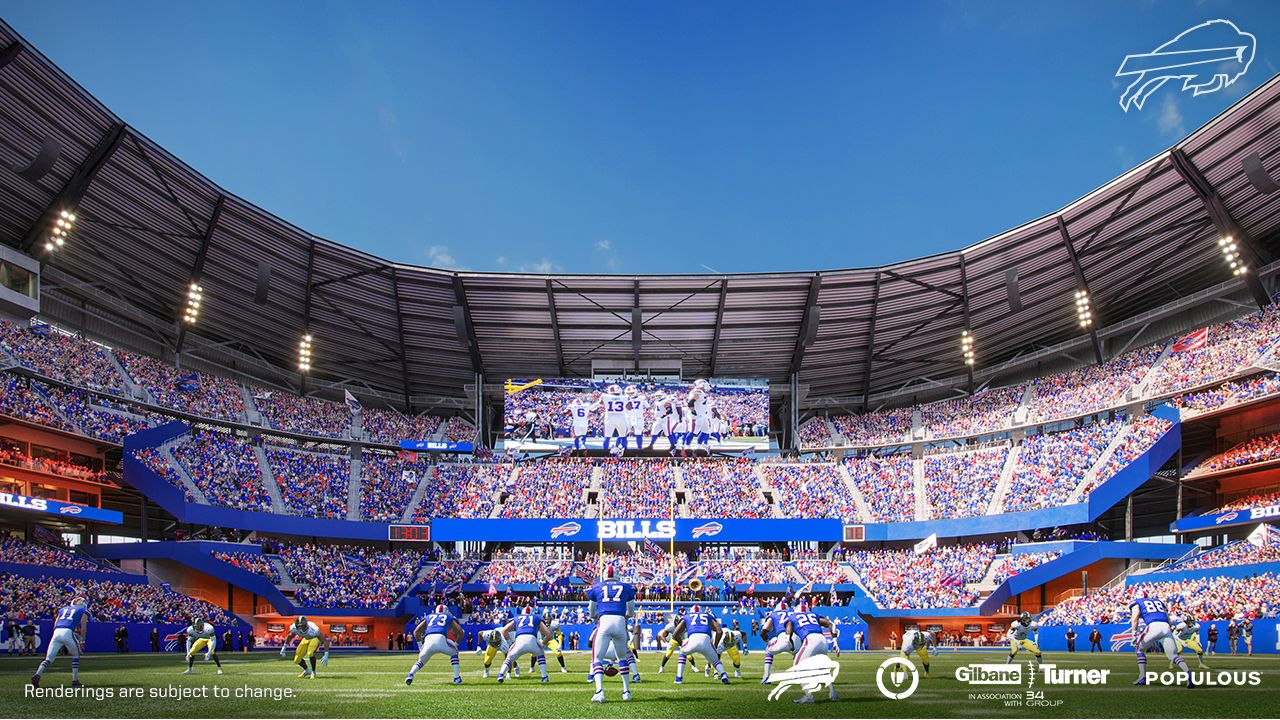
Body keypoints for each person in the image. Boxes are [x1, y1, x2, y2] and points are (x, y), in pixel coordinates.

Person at [586, 566, 636, 703]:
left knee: (598, 658)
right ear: (618, 575)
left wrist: (598, 615)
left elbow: (591, 612)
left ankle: (599, 692)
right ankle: (626, 692)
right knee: (622, 657)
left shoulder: (596, 587)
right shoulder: (626, 587)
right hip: (620, 622)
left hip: (604, 621)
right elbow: (631, 613)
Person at [1130, 593, 1194, 688]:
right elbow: (1166, 616)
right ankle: (1188, 672)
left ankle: (1143, 677)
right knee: (1173, 655)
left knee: (1139, 650)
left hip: (1153, 626)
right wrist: (1171, 625)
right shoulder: (1158, 601)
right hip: (1166, 626)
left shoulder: (1138, 602)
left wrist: (1134, 634)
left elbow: (1135, 618)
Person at [785, 602, 839, 704]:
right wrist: (835, 641)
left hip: (810, 639)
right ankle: (833, 693)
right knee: (823, 669)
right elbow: (831, 624)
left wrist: (791, 647)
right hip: (823, 640)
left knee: (796, 668)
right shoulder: (813, 615)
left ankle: (808, 696)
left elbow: (787, 636)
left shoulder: (792, 617)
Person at [30, 595, 87, 688]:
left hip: (56, 632)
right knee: (76, 655)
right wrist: (82, 641)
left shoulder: (62, 609)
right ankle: (75, 680)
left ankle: (37, 674)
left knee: (49, 659)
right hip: (68, 631)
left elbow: (55, 624)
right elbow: (83, 628)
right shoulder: (82, 611)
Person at [405, 604, 463, 685]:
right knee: (454, 652)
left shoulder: (429, 616)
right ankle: (457, 678)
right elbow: (460, 632)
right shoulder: (448, 617)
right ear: (446, 611)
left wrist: (420, 646)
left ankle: (410, 675)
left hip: (428, 640)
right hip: (441, 638)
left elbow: (416, 631)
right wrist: (456, 644)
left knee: (422, 660)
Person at [671, 604, 729, 685]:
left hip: (693, 638)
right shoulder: (708, 616)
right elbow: (719, 631)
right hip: (706, 639)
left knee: (682, 652)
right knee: (715, 660)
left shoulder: (687, 616)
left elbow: (675, 634)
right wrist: (715, 645)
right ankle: (724, 675)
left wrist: (681, 644)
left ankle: (679, 678)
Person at [497, 606, 553, 683]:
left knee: (509, 658)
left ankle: (501, 675)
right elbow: (548, 634)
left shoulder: (517, 618)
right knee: (540, 653)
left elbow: (504, 630)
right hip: (532, 639)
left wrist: (511, 642)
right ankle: (544, 676)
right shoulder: (536, 618)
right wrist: (542, 644)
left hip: (519, 639)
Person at [759, 601, 794, 684]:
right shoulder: (793, 613)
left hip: (782, 638)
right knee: (800, 655)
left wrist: (767, 642)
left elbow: (763, 632)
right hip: (795, 638)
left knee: (768, 651)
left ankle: (766, 677)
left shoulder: (774, 614)